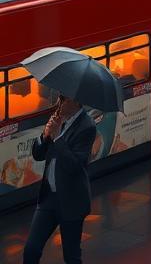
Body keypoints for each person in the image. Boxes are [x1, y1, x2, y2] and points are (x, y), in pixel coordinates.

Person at [23, 94, 96, 264]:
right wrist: (45, 135)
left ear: (76, 102)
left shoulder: (87, 126)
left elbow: (75, 166)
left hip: (71, 201)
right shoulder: (58, 120)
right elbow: (38, 155)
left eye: (63, 99)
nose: (59, 103)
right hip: (49, 199)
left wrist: (57, 138)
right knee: (31, 250)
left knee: (71, 256)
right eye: (59, 98)